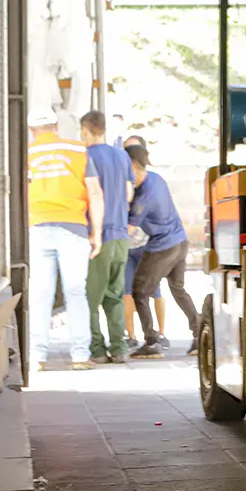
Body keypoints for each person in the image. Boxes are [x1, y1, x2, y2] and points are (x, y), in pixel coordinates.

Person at [28, 108, 105, 371]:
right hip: (74, 227)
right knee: (75, 292)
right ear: (56, 125)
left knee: (41, 293)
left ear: (31, 131)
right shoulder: (78, 150)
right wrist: (97, 232)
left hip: (38, 225)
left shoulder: (27, 153)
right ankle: (80, 356)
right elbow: (94, 192)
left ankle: (36, 357)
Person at [126, 143, 199, 358]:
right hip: (180, 241)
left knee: (140, 292)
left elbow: (128, 229)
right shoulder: (155, 178)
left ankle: (151, 342)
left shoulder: (144, 197)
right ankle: (200, 333)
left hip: (163, 247)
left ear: (132, 165)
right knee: (178, 288)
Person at [80, 111, 134, 364]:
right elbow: (129, 192)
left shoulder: (86, 156)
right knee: (115, 293)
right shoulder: (122, 156)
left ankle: (98, 350)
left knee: (89, 296)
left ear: (86, 130)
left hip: (96, 234)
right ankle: (120, 348)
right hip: (121, 234)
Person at [121, 135, 169, 349]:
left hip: (148, 244)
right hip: (126, 245)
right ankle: (131, 335)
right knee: (127, 291)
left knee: (154, 290)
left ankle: (161, 333)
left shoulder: (150, 179)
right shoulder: (122, 178)